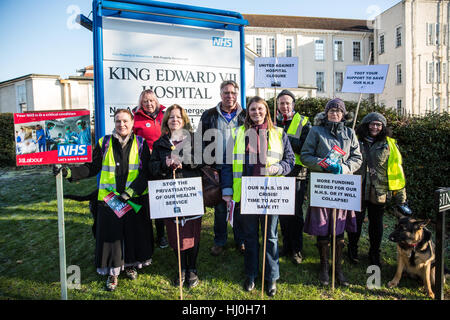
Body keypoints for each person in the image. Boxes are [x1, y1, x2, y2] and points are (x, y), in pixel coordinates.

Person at [53, 109, 154, 291]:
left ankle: (130, 264)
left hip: (134, 199)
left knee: (132, 234)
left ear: (132, 123)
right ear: (113, 123)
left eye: (125, 121)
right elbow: (91, 167)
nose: (121, 125)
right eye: (117, 121)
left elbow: (146, 172)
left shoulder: (141, 143)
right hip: (109, 199)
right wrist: (69, 172)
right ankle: (113, 273)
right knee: (111, 238)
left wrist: (130, 192)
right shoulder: (104, 142)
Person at [221, 96, 295, 296]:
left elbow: (290, 160)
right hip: (246, 194)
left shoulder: (279, 133)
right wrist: (227, 189)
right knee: (250, 237)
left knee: (270, 236)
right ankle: (251, 274)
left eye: (260, 109)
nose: (256, 112)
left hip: (270, 194)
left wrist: (279, 167)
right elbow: (227, 164)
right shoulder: (237, 133)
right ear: (248, 112)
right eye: (253, 109)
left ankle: (271, 277)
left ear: (267, 111)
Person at [300, 98, 362, 287]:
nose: (334, 114)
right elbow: (305, 155)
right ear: (326, 113)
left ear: (343, 114)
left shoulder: (350, 133)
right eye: (331, 110)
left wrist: (343, 168)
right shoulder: (316, 131)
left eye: (338, 111)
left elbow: (357, 157)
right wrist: (322, 163)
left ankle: (338, 267)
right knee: (323, 226)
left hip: (342, 187)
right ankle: (324, 266)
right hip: (322, 185)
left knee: (339, 226)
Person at [347, 112, 410, 267]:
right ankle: (352, 249)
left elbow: (396, 172)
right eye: (372, 124)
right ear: (366, 125)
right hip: (357, 189)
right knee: (355, 223)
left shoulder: (389, 145)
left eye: (378, 125)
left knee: (376, 225)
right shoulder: (354, 141)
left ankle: (374, 253)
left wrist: (401, 199)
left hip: (379, 192)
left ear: (383, 127)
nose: (375, 127)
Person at [150, 104, 203, 288]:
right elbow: (152, 168)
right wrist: (165, 164)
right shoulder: (160, 143)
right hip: (169, 194)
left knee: (191, 231)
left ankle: (192, 268)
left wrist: (184, 161)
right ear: (166, 121)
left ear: (184, 120)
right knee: (175, 232)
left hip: (190, 192)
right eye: (171, 117)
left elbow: (201, 161)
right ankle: (181, 267)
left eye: (178, 117)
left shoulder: (194, 139)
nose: (175, 120)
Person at [199, 80, 246, 256]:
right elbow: (201, 140)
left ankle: (240, 240)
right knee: (220, 208)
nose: (230, 96)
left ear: (237, 94)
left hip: (240, 167)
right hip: (218, 168)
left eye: (233, 93)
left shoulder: (245, 115)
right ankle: (219, 240)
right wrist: (207, 163)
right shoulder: (209, 115)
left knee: (240, 206)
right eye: (226, 93)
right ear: (220, 94)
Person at [275, 90, 311, 265]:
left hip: (297, 173)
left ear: (293, 104)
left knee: (295, 213)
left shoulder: (304, 122)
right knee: (282, 211)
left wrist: (283, 138)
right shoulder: (273, 121)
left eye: (287, 103)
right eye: (281, 103)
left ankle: (297, 249)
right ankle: (286, 245)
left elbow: (305, 146)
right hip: (279, 171)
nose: (284, 106)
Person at [133, 89, 168, 249]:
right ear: (141, 103)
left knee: (160, 200)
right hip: (143, 164)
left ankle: (161, 236)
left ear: (156, 101)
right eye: (145, 101)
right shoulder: (135, 118)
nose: (149, 103)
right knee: (145, 201)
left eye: (151, 100)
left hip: (161, 163)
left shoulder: (164, 114)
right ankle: (146, 235)